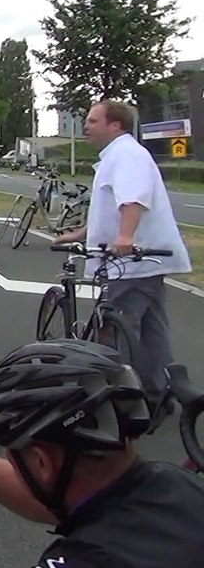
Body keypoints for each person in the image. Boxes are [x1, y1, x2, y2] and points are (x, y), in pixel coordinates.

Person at [0, 339, 204, 568]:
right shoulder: (176, 485)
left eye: (14, 454)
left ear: (42, 462)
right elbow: (61, 501)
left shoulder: (89, 559)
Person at [53, 100, 190, 406]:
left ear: (116, 125)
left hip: (130, 264)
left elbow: (132, 198)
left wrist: (126, 236)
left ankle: (121, 401)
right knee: (153, 330)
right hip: (143, 264)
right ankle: (158, 392)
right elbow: (112, 207)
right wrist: (81, 234)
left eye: (92, 121)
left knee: (115, 328)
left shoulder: (126, 155)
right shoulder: (120, 155)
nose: (86, 126)